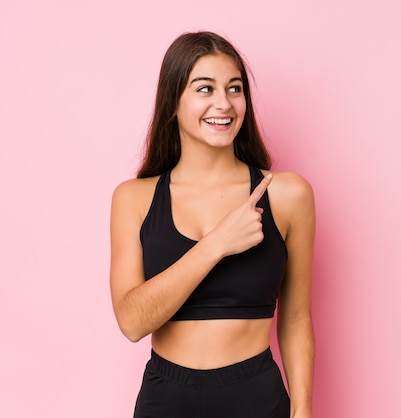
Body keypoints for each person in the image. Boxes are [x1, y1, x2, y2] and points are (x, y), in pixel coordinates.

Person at [109, 31, 315, 418]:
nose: (224, 103)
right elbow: (133, 322)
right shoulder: (134, 198)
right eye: (205, 89)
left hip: (257, 397)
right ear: (173, 102)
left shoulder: (287, 195)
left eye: (234, 89)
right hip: (165, 399)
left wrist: (302, 412)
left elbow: (296, 317)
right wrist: (217, 243)